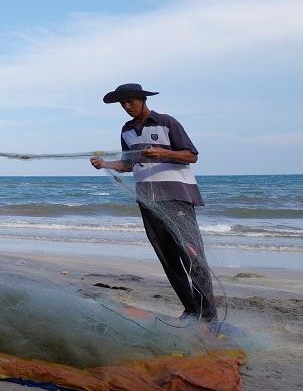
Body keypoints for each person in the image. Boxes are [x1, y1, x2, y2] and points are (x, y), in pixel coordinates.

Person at [89, 83, 216, 321]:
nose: (127, 106)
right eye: (123, 103)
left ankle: (209, 317)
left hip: (176, 196)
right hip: (147, 200)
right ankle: (191, 310)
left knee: (192, 255)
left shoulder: (167, 122)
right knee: (168, 258)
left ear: (143, 100)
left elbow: (191, 155)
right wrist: (105, 164)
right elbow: (128, 164)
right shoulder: (126, 130)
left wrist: (163, 153)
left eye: (131, 101)